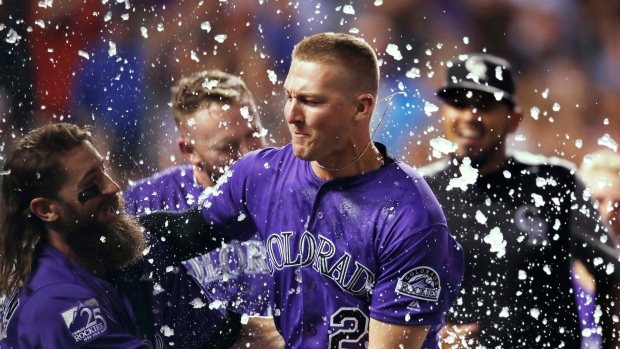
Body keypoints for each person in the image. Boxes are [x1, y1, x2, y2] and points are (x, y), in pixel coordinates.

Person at [140, 32, 465, 349]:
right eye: (289, 97)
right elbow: (179, 234)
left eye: (311, 101)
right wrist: (101, 227)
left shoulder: (410, 216)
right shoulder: (261, 174)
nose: (291, 116)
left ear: (361, 108)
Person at [419, 53, 620, 348]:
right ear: (444, 113)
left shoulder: (555, 183)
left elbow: (611, 277)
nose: (470, 116)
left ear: (514, 119)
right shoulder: (420, 191)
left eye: (485, 106)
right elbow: (388, 291)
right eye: (459, 104)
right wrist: (430, 337)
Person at [0, 123, 258, 348]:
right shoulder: (58, 305)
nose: (112, 186)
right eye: (91, 185)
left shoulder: (115, 247)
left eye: (103, 170)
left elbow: (199, 227)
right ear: (46, 210)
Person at [123, 70, 272, 316]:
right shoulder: (145, 203)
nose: (248, 155)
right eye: (229, 147)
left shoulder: (292, 192)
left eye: (254, 135)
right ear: (189, 150)